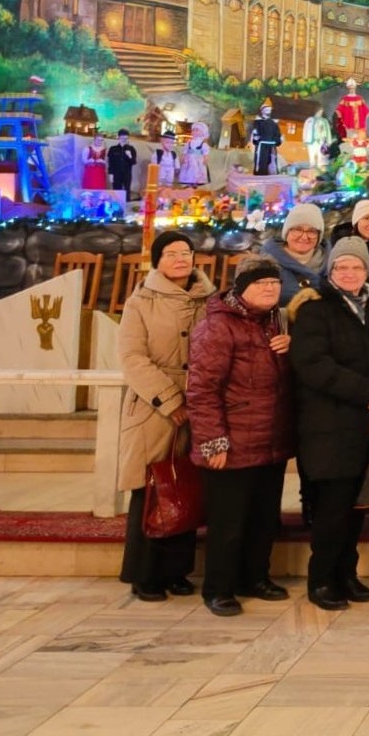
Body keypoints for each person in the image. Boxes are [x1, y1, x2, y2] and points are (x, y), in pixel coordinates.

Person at [287, 237, 369, 611]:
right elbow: (313, 364)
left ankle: (347, 575)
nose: (349, 273)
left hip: (367, 423)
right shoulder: (314, 309)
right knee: (331, 509)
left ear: (366, 270)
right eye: (342, 267)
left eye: (356, 266)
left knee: (356, 507)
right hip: (329, 423)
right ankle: (322, 579)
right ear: (330, 271)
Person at [187, 255, 294, 616]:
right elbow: (202, 390)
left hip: (270, 439)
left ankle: (256, 578)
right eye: (261, 283)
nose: (269, 289)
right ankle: (219, 589)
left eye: (274, 283)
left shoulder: (276, 322)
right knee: (228, 523)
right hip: (232, 442)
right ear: (242, 288)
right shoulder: (218, 326)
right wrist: (213, 441)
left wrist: (291, 348)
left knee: (263, 518)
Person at [117, 231, 214, 601]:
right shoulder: (141, 301)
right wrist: (171, 401)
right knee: (152, 488)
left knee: (186, 484)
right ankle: (144, 574)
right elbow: (132, 357)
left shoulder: (210, 298)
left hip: (200, 403)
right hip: (153, 407)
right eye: (171, 254)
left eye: (185, 252)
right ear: (157, 260)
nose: (180, 259)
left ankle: (177, 571)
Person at [260, 202, 328, 303]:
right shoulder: (265, 262)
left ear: (319, 236)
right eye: (297, 230)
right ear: (287, 232)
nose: (304, 237)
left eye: (311, 231)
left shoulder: (333, 261)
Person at [249, 104, 282, 175]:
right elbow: (255, 132)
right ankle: (260, 175)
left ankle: (271, 176)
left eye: (269, 109)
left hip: (272, 146)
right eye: (266, 109)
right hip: (262, 145)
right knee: (261, 162)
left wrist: (277, 140)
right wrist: (256, 138)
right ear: (262, 111)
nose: (268, 111)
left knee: (272, 161)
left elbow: (277, 134)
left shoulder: (274, 123)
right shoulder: (258, 122)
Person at [179, 122, 211, 187]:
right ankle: (188, 186)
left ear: (203, 132)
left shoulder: (203, 144)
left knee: (197, 177)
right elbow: (185, 152)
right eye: (193, 130)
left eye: (197, 130)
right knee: (188, 176)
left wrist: (205, 160)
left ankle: (195, 186)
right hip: (189, 163)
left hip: (198, 164)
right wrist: (183, 158)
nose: (194, 132)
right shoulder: (189, 143)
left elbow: (206, 154)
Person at [108, 129, 139, 195]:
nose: (124, 140)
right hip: (116, 174)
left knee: (127, 190)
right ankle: (117, 201)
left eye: (126, 138)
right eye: (122, 138)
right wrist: (110, 174)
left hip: (127, 174)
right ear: (119, 138)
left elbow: (134, 162)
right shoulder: (113, 149)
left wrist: (130, 155)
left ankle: (127, 201)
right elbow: (110, 162)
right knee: (116, 191)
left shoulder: (131, 149)